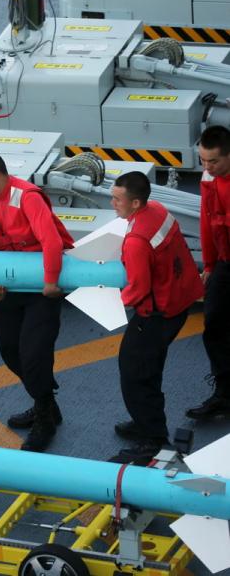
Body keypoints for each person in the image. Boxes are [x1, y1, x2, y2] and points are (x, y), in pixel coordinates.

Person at [0, 149, 74, 452]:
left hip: (42, 286)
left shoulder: (27, 197)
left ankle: (45, 418)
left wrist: (52, 281)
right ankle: (46, 402)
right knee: (9, 350)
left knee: (34, 353)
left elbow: (51, 240)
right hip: (9, 285)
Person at [109, 172, 203, 465]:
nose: (113, 204)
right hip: (178, 303)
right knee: (150, 369)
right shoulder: (158, 211)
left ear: (135, 202)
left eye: (117, 199)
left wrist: (113, 301)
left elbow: (137, 289)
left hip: (155, 316)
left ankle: (152, 439)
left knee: (135, 374)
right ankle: (146, 423)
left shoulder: (136, 240)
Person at [187, 125, 230, 421]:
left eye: (213, 161)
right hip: (226, 262)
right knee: (214, 324)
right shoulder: (210, 178)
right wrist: (210, 265)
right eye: (202, 161)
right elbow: (207, 221)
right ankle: (224, 394)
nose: (206, 167)